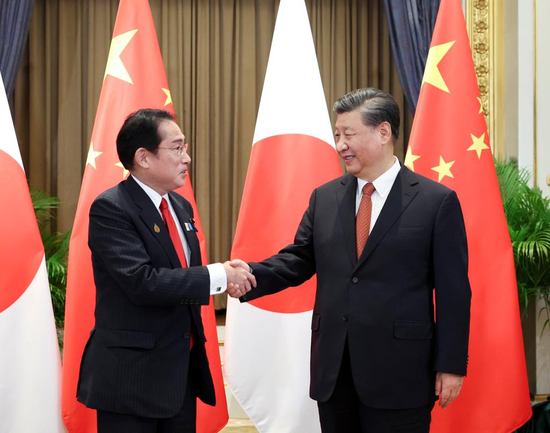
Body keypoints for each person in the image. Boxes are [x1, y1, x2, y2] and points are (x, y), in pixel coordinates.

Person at [231, 88, 471, 433]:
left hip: (400, 375)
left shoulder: (436, 202)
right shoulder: (325, 197)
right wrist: (248, 276)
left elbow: (453, 293)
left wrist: (451, 365)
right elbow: (298, 259)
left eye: (348, 134)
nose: (340, 144)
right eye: (337, 134)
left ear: (383, 132)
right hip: (335, 372)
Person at [77, 109, 255, 433]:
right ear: (143, 157)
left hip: (179, 375)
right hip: (131, 380)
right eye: (177, 148)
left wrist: (224, 278)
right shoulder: (111, 208)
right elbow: (142, 282)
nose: (186, 158)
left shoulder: (180, 206)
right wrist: (219, 276)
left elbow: (181, 274)